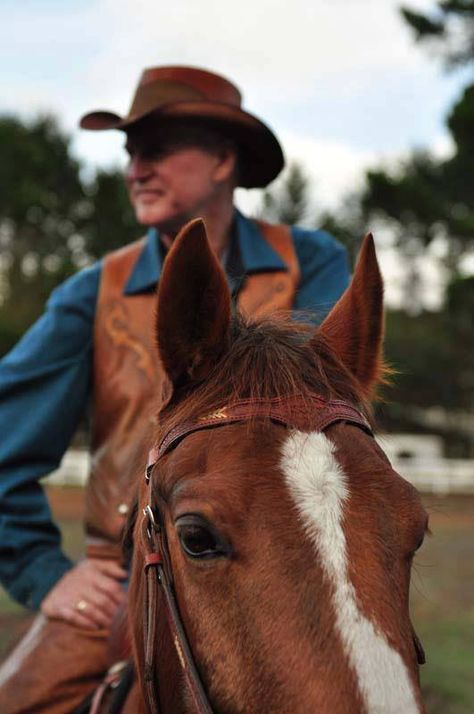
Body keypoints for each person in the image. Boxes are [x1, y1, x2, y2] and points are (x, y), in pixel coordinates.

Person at [0, 66, 350, 712]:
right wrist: (45, 573)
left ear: (222, 160)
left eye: (156, 150)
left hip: (277, 568)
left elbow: (333, 415)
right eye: (130, 153)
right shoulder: (91, 295)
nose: (135, 169)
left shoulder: (313, 263)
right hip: (126, 582)